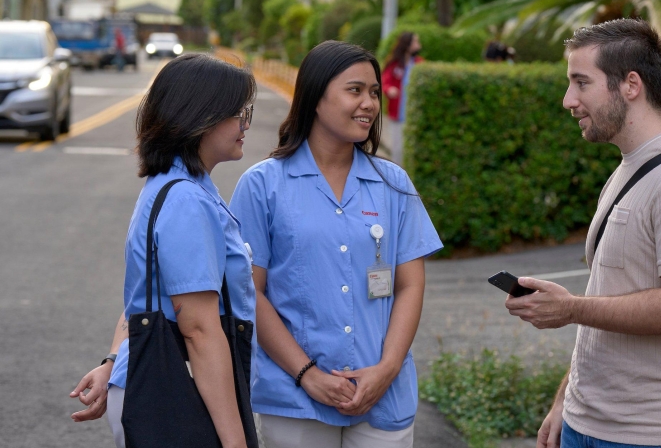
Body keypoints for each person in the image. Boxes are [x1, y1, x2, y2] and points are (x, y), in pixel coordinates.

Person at [505, 19, 661, 448]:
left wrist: (570, 309)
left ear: (630, 85)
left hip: (654, 434)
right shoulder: (630, 165)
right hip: (588, 421)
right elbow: (605, 295)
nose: (568, 100)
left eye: (581, 82)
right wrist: (564, 400)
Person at [229, 40, 442, 448]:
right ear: (314, 96)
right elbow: (249, 293)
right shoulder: (263, 186)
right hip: (295, 398)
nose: (369, 103)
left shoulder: (393, 184)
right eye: (355, 90)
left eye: (375, 92)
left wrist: (386, 369)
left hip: (383, 397)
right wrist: (308, 375)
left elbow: (409, 285)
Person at [69, 53, 257, 448]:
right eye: (237, 113)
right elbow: (201, 330)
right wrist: (237, 442)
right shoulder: (187, 199)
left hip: (156, 379)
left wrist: (113, 361)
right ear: (199, 117)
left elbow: (148, 291)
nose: (244, 125)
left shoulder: (170, 183)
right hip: (179, 390)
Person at [380, 32, 423, 164]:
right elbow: (384, 81)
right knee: (398, 148)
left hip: (415, 114)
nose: (418, 45)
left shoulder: (419, 63)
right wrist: (389, 89)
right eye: (415, 42)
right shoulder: (395, 64)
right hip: (397, 114)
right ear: (407, 45)